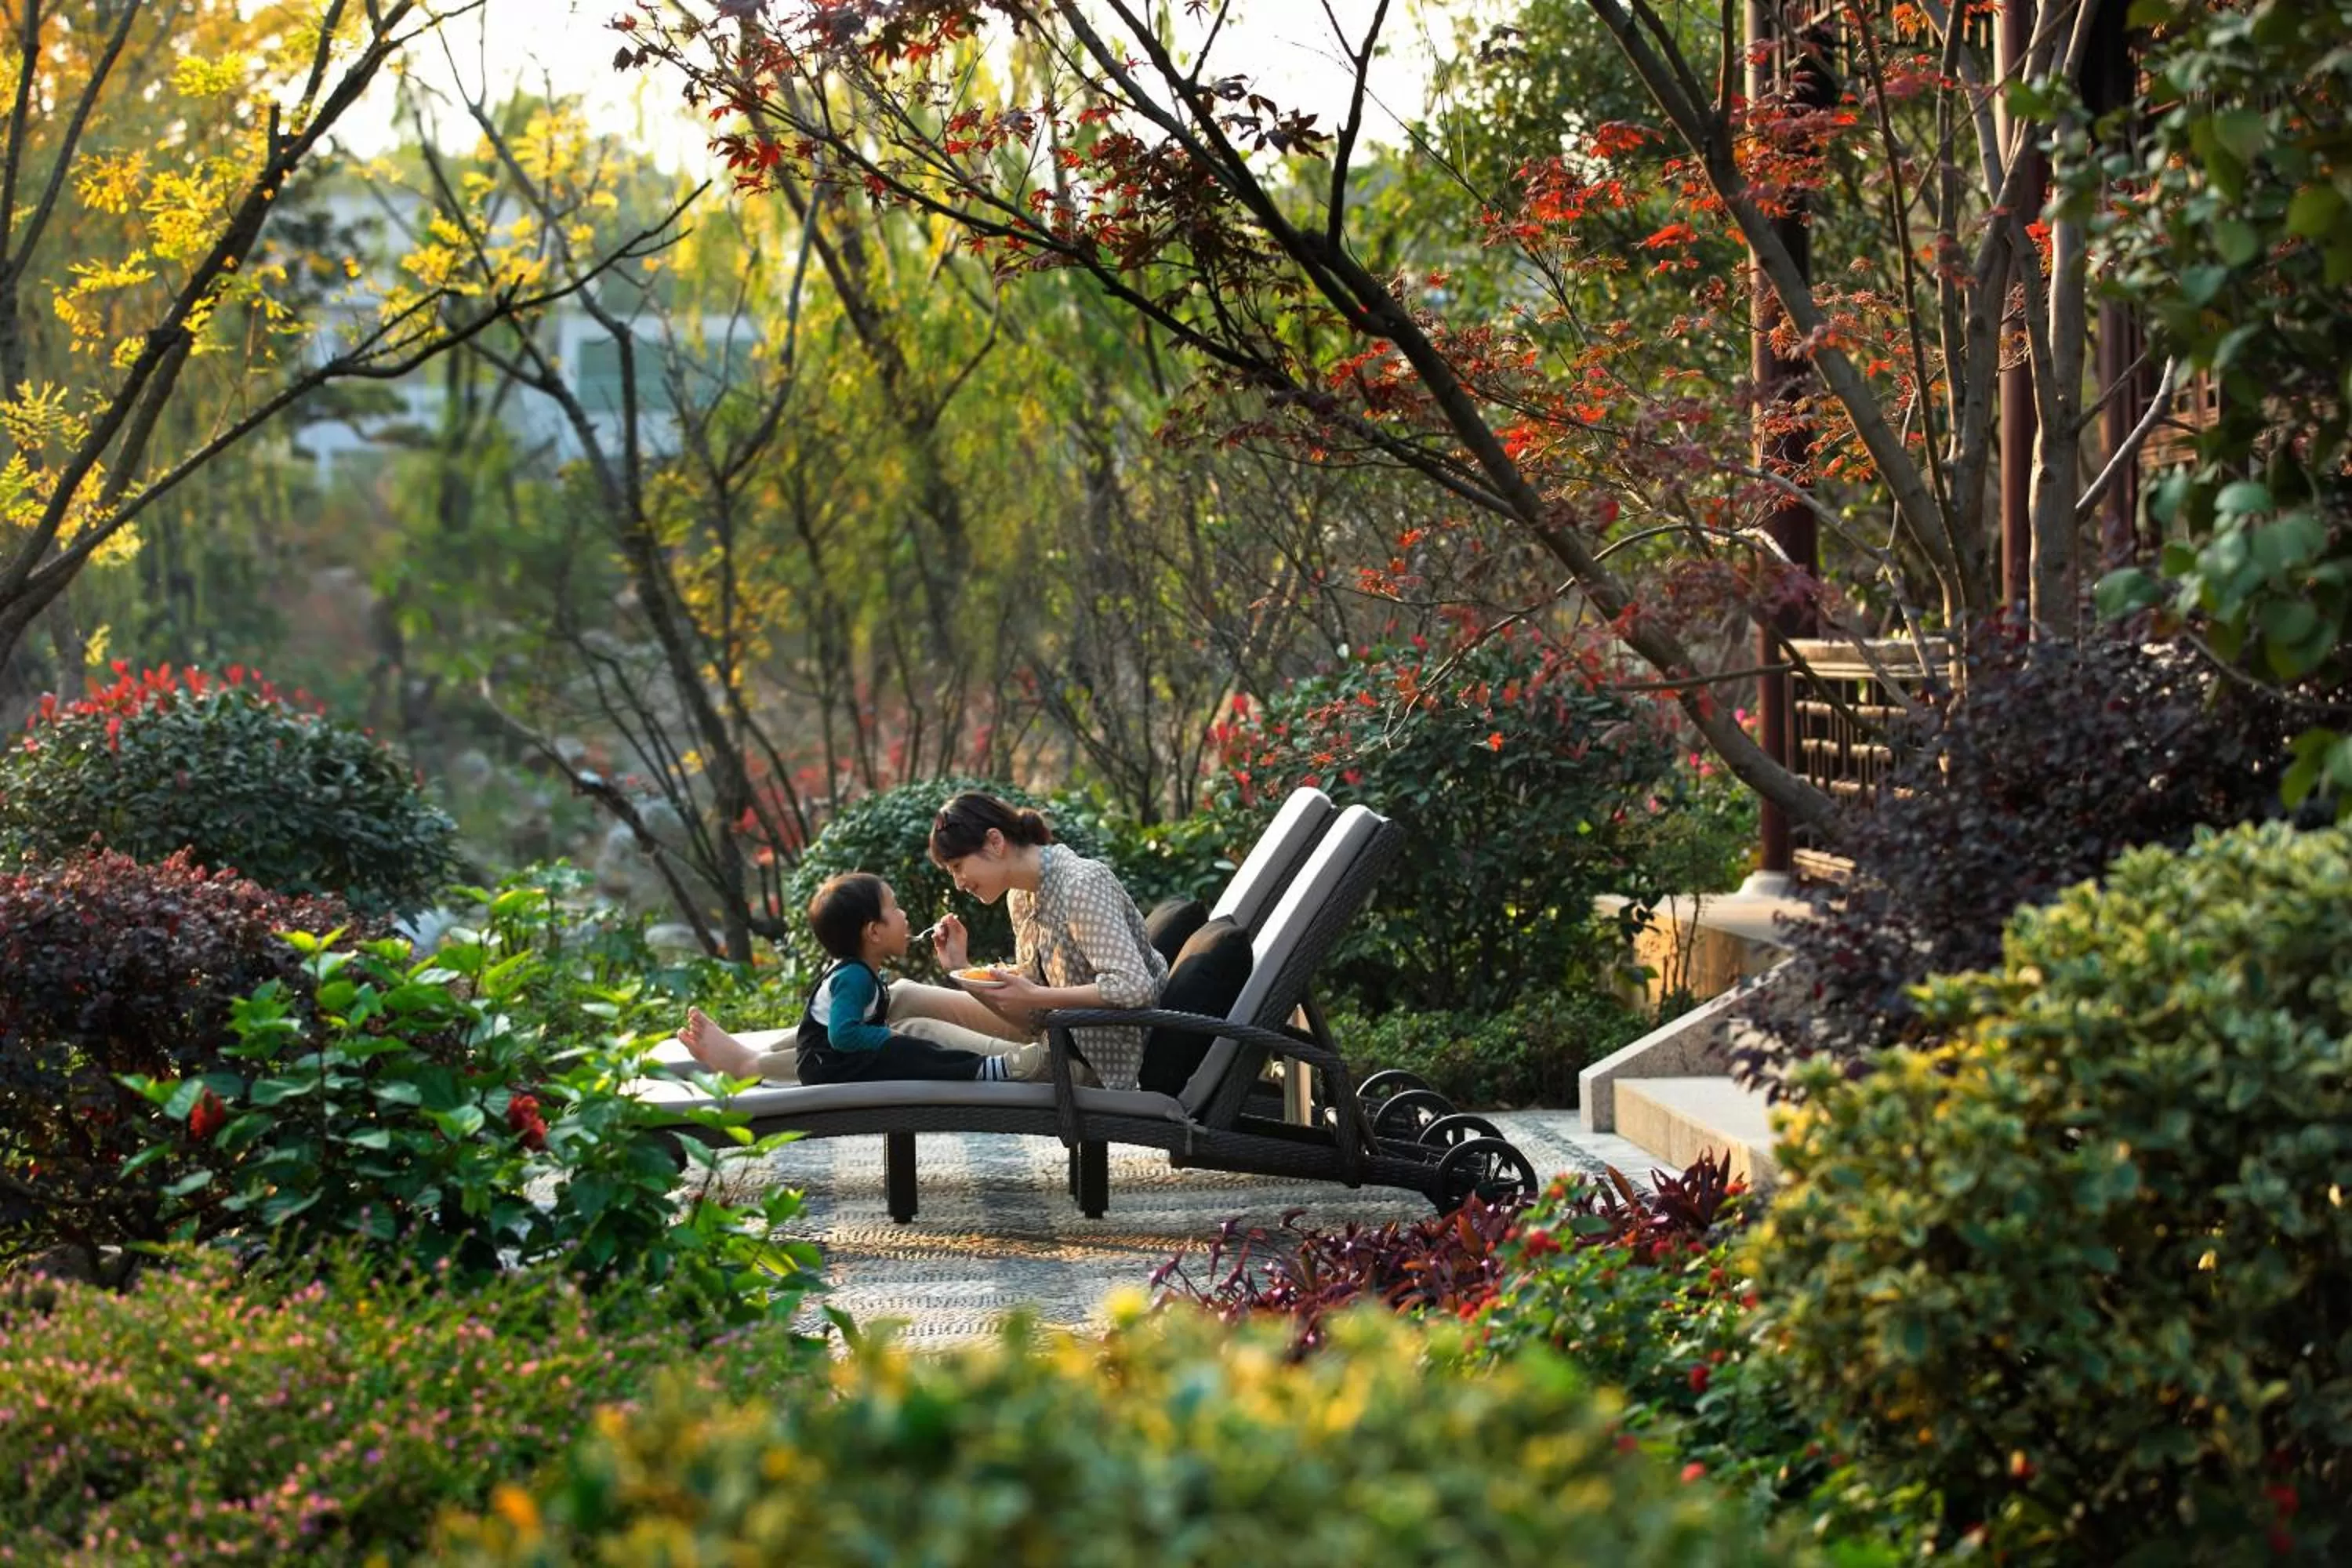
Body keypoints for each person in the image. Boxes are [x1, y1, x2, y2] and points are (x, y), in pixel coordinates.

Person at [677, 871, 1053, 1084]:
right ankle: (756, 1062)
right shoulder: (855, 977)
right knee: (905, 1019)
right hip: (830, 1062)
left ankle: (754, 1064)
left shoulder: (859, 972)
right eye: (894, 909)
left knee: (908, 1032)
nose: (905, 914)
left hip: (829, 1058)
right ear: (873, 933)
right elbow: (840, 1033)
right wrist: (888, 1035)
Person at [926, 791, 1167, 1091]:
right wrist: (961, 970)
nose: (958, 884)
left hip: (1098, 1062)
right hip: (1056, 1035)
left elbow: (1134, 987)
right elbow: (1034, 1019)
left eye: (958, 867)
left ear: (995, 841)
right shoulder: (1021, 897)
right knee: (905, 996)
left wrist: (1036, 996)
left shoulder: (1081, 884)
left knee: (915, 1028)